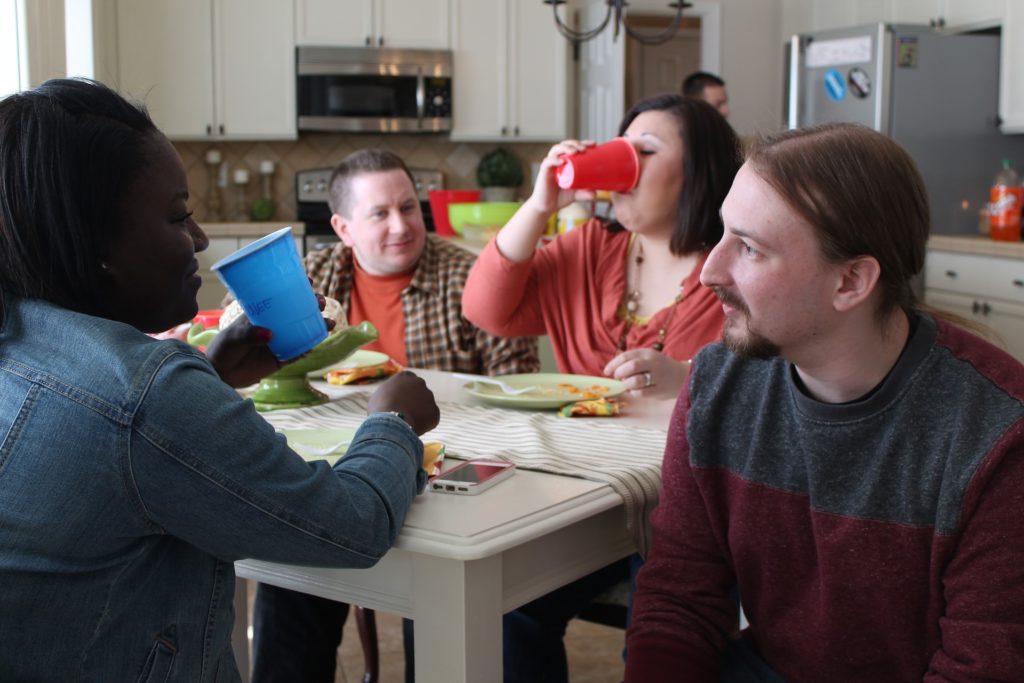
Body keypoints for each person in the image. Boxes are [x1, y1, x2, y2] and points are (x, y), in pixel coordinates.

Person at [0, 78, 441, 681]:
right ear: (96, 242)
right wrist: (393, 420)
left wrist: (207, 376)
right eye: (180, 216)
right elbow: (351, 527)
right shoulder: (146, 393)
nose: (200, 240)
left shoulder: (21, 340)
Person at [625, 123, 1024, 682]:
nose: (708, 272)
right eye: (721, 235)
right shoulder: (718, 384)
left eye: (749, 248)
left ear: (851, 282)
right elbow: (679, 598)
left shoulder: (999, 435)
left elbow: (982, 667)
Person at [463, 94, 742, 682]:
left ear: (700, 172)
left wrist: (687, 381)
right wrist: (542, 204)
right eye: (622, 148)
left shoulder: (735, 269)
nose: (626, 164)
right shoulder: (588, 250)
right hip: (581, 499)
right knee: (500, 601)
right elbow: (486, 307)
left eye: (646, 151)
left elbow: (772, 389)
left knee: (665, 626)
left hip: (686, 506)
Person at [251, 148, 540, 683]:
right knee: (291, 581)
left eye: (409, 207)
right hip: (336, 474)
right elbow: (242, 351)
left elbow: (515, 386)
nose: (402, 225)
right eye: (380, 214)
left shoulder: (469, 276)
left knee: (433, 604)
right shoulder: (307, 284)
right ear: (341, 227)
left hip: (449, 483)